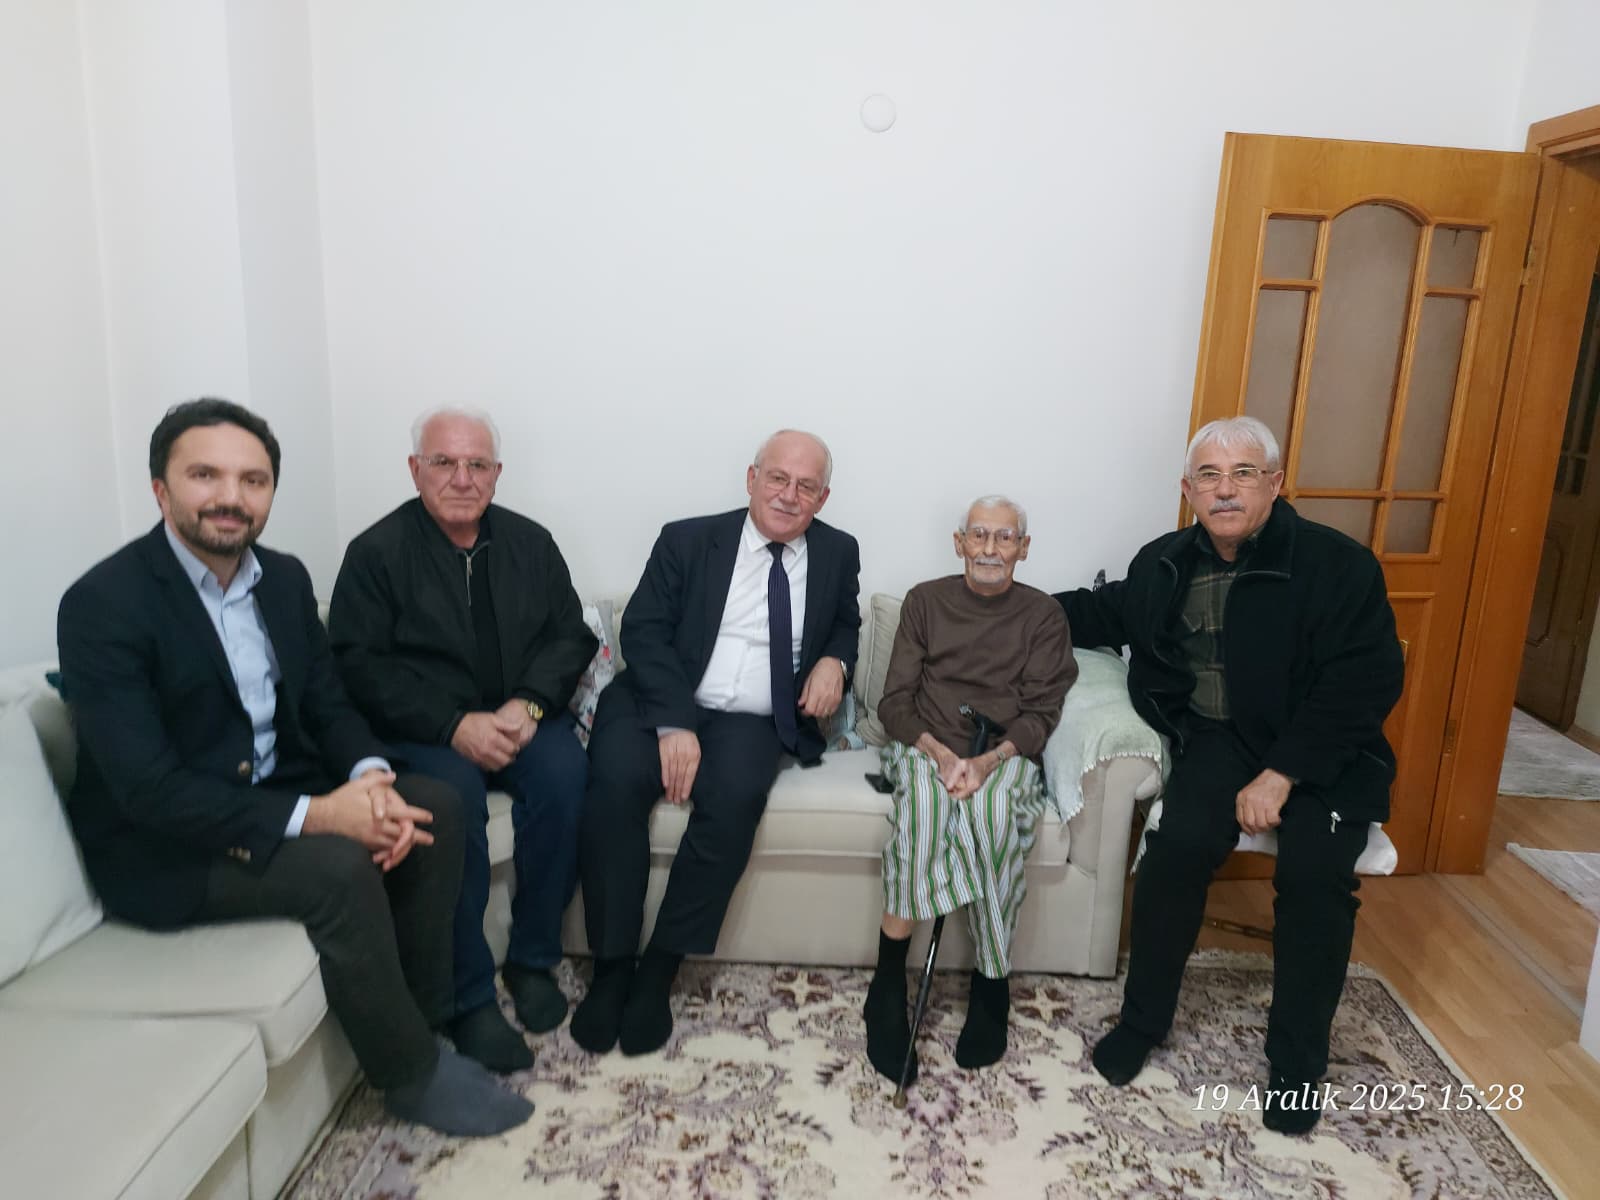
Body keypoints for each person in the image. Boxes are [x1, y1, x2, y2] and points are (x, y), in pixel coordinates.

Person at [56, 398, 532, 1136]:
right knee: (339, 868)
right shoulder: (103, 604)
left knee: (433, 804)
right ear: (161, 489)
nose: (230, 497)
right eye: (205, 475)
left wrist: (369, 777)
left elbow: (327, 702)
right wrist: (321, 815)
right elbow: (149, 791)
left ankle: (425, 1016)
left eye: (252, 480)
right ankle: (409, 1075)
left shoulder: (280, 578)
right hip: (167, 848)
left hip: (282, 791)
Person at [1055, 415, 1404, 1134]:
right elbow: (1096, 612)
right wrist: (989, 604)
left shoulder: (1337, 565)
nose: (1225, 490)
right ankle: (1143, 1023)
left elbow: (1362, 685)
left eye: (1243, 474)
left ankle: (1297, 1066)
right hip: (1219, 743)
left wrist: (1283, 772)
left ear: (1275, 484)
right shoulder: (1164, 563)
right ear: (1187, 490)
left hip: (1324, 750)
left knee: (1314, 879)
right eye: (1209, 476)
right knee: (1174, 851)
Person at [571, 430, 861, 1056]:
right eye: (777, 478)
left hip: (753, 718)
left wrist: (835, 660)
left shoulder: (839, 551)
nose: (788, 495)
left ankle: (660, 968)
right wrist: (675, 724)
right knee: (613, 787)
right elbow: (643, 630)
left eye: (806, 486)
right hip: (659, 699)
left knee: (735, 800)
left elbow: (845, 620)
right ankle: (612, 966)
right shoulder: (687, 539)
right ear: (752, 479)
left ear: (823, 497)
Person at [330, 407, 595, 1072]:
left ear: (497, 474)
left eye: (477, 464)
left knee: (566, 778)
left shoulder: (531, 543)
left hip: (519, 716)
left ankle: (533, 960)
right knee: (452, 804)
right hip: (426, 731)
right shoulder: (374, 553)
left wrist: (529, 704)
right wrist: (453, 724)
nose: (461, 478)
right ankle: (468, 994)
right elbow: (358, 666)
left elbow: (570, 635)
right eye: (444, 462)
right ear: (415, 469)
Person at [863, 496, 1076, 1082]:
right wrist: (940, 754)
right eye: (978, 535)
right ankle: (886, 987)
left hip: (1003, 751)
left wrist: (986, 762)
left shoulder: (1043, 615)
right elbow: (894, 703)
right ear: (958, 543)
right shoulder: (925, 601)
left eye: (1005, 538)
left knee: (994, 818)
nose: (990, 548)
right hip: (925, 744)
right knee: (924, 815)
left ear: (1023, 549)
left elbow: (1042, 713)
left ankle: (991, 985)